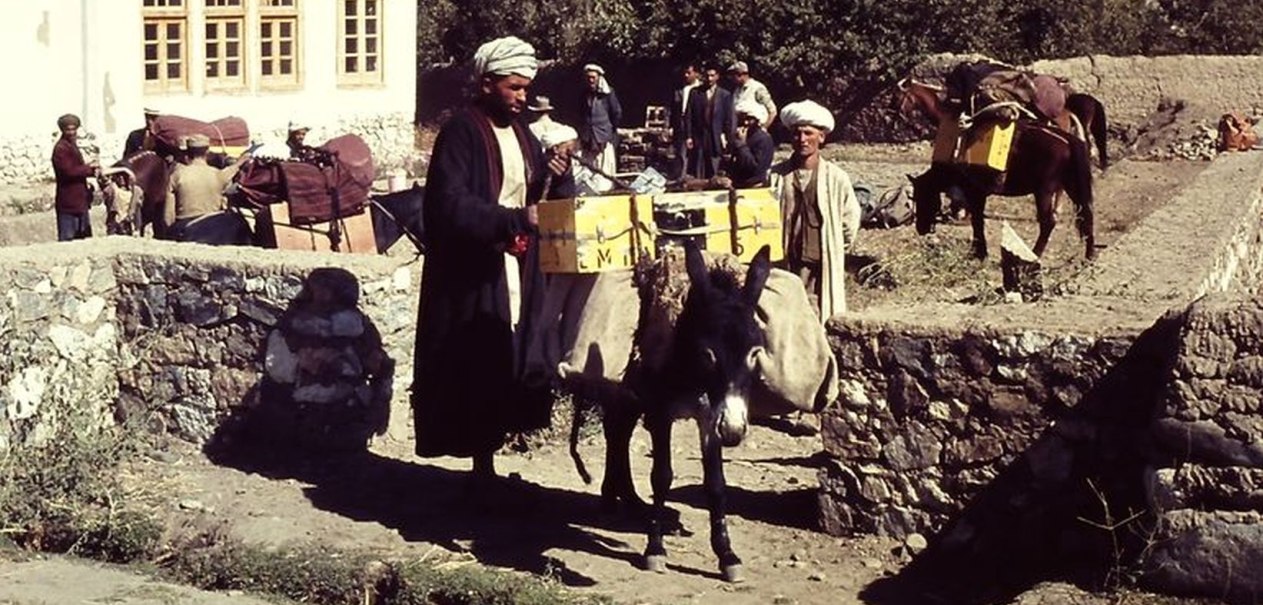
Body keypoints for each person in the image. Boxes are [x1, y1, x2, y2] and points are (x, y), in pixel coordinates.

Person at [412, 36, 575, 488]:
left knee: (511, 357)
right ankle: (481, 469)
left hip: (517, 268)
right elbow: (448, 205)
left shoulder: (521, 133)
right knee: (478, 362)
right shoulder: (461, 132)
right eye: (514, 87)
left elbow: (533, 188)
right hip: (475, 273)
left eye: (525, 88)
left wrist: (556, 176)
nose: (523, 97)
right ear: (487, 84)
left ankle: (499, 453)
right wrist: (512, 219)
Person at [769, 100, 861, 321]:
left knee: (818, 314)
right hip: (786, 261)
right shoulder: (776, 176)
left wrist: (835, 246)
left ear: (821, 137)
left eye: (808, 133)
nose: (802, 140)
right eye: (797, 134)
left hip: (821, 261)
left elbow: (850, 221)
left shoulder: (836, 178)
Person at [162, 134, 248, 243]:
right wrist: (240, 162)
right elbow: (230, 171)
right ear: (207, 152)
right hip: (215, 227)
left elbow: (168, 217)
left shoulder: (177, 175)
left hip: (185, 227)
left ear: (187, 152)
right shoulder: (217, 174)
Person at [51, 113, 99, 241]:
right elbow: (69, 171)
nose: (71, 132)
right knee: (68, 240)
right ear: (62, 130)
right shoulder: (61, 148)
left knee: (83, 239)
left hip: (79, 201)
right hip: (68, 203)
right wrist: (90, 169)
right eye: (68, 129)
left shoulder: (71, 146)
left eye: (74, 129)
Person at [686, 63, 735, 179]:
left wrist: (728, 138)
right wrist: (689, 136)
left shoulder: (725, 95)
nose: (709, 79)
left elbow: (729, 118)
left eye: (712, 76)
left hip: (716, 135)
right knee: (699, 163)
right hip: (699, 135)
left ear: (717, 77)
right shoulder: (695, 93)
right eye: (707, 76)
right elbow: (689, 116)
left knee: (715, 163)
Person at [578, 63, 622, 180]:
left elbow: (616, 113)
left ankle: (605, 185)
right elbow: (581, 113)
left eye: (593, 77)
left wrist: (609, 130)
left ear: (598, 78)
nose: (591, 80)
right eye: (588, 78)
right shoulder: (584, 93)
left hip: (603, 135)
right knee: (589, 164)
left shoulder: (607, 94)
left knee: (604, 164)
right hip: (588, 136)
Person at [721, 99, 774, 188]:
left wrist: (742, 145)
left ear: (757, 120)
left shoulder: (764, 139)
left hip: (754, 186)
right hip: (737, 184)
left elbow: (755, 168)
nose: (745, 122)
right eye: (743, 118)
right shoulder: (740, 135)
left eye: (749, 119)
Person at [670, 62, 701, 179]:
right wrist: (670, 126)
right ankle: (681, 177)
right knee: (681, 152)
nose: (686, 75)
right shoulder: (679, 90)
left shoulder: (701, 89)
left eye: (689, 73)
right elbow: (672, 109)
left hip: (696, 123)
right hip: (681, 123)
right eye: (685, 73)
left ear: (696, 74)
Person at [728, 61, 777, 129]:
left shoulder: (757, 88)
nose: (732, 78)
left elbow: (773, 111)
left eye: (734, 75)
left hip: (756, 129)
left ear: (741, 74)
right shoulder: (736, 91)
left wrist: (764, 128)